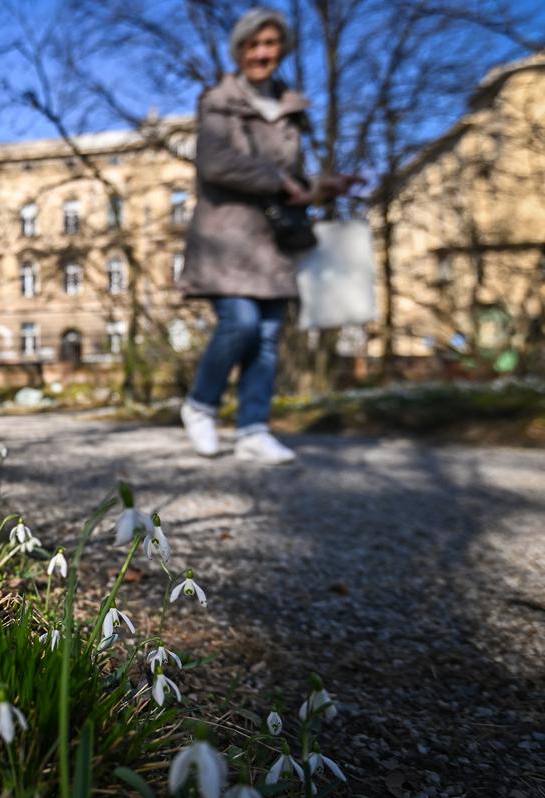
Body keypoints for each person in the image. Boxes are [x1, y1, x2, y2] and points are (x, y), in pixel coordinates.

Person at [177, 8, 359, 464]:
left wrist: (321, 187)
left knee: (269, 335)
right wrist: (279, 180)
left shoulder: (291, 109)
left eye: (271, 44)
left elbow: (294, 180)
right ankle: (200, 405)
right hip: (226, 236)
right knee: (240, 323)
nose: (263, 53)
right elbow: (215, 162)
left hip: (274, 239)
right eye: (254, 44)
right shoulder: (219, 101)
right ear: (239, 49)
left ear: (282, 50)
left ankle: (253, 428)